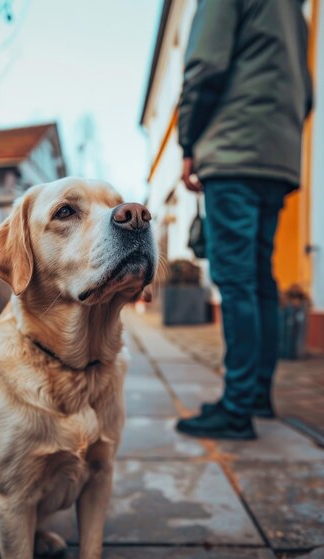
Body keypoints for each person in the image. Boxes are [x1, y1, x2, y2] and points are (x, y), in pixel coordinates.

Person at [175, 0, 312, 440]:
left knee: (235, 280)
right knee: (259, 277)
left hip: (234, 151)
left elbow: (204, 66)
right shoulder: (293, 9)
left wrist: (188, 143)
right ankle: (256, 395)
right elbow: (306, 93)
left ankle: (236, 408)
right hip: (277, 154)